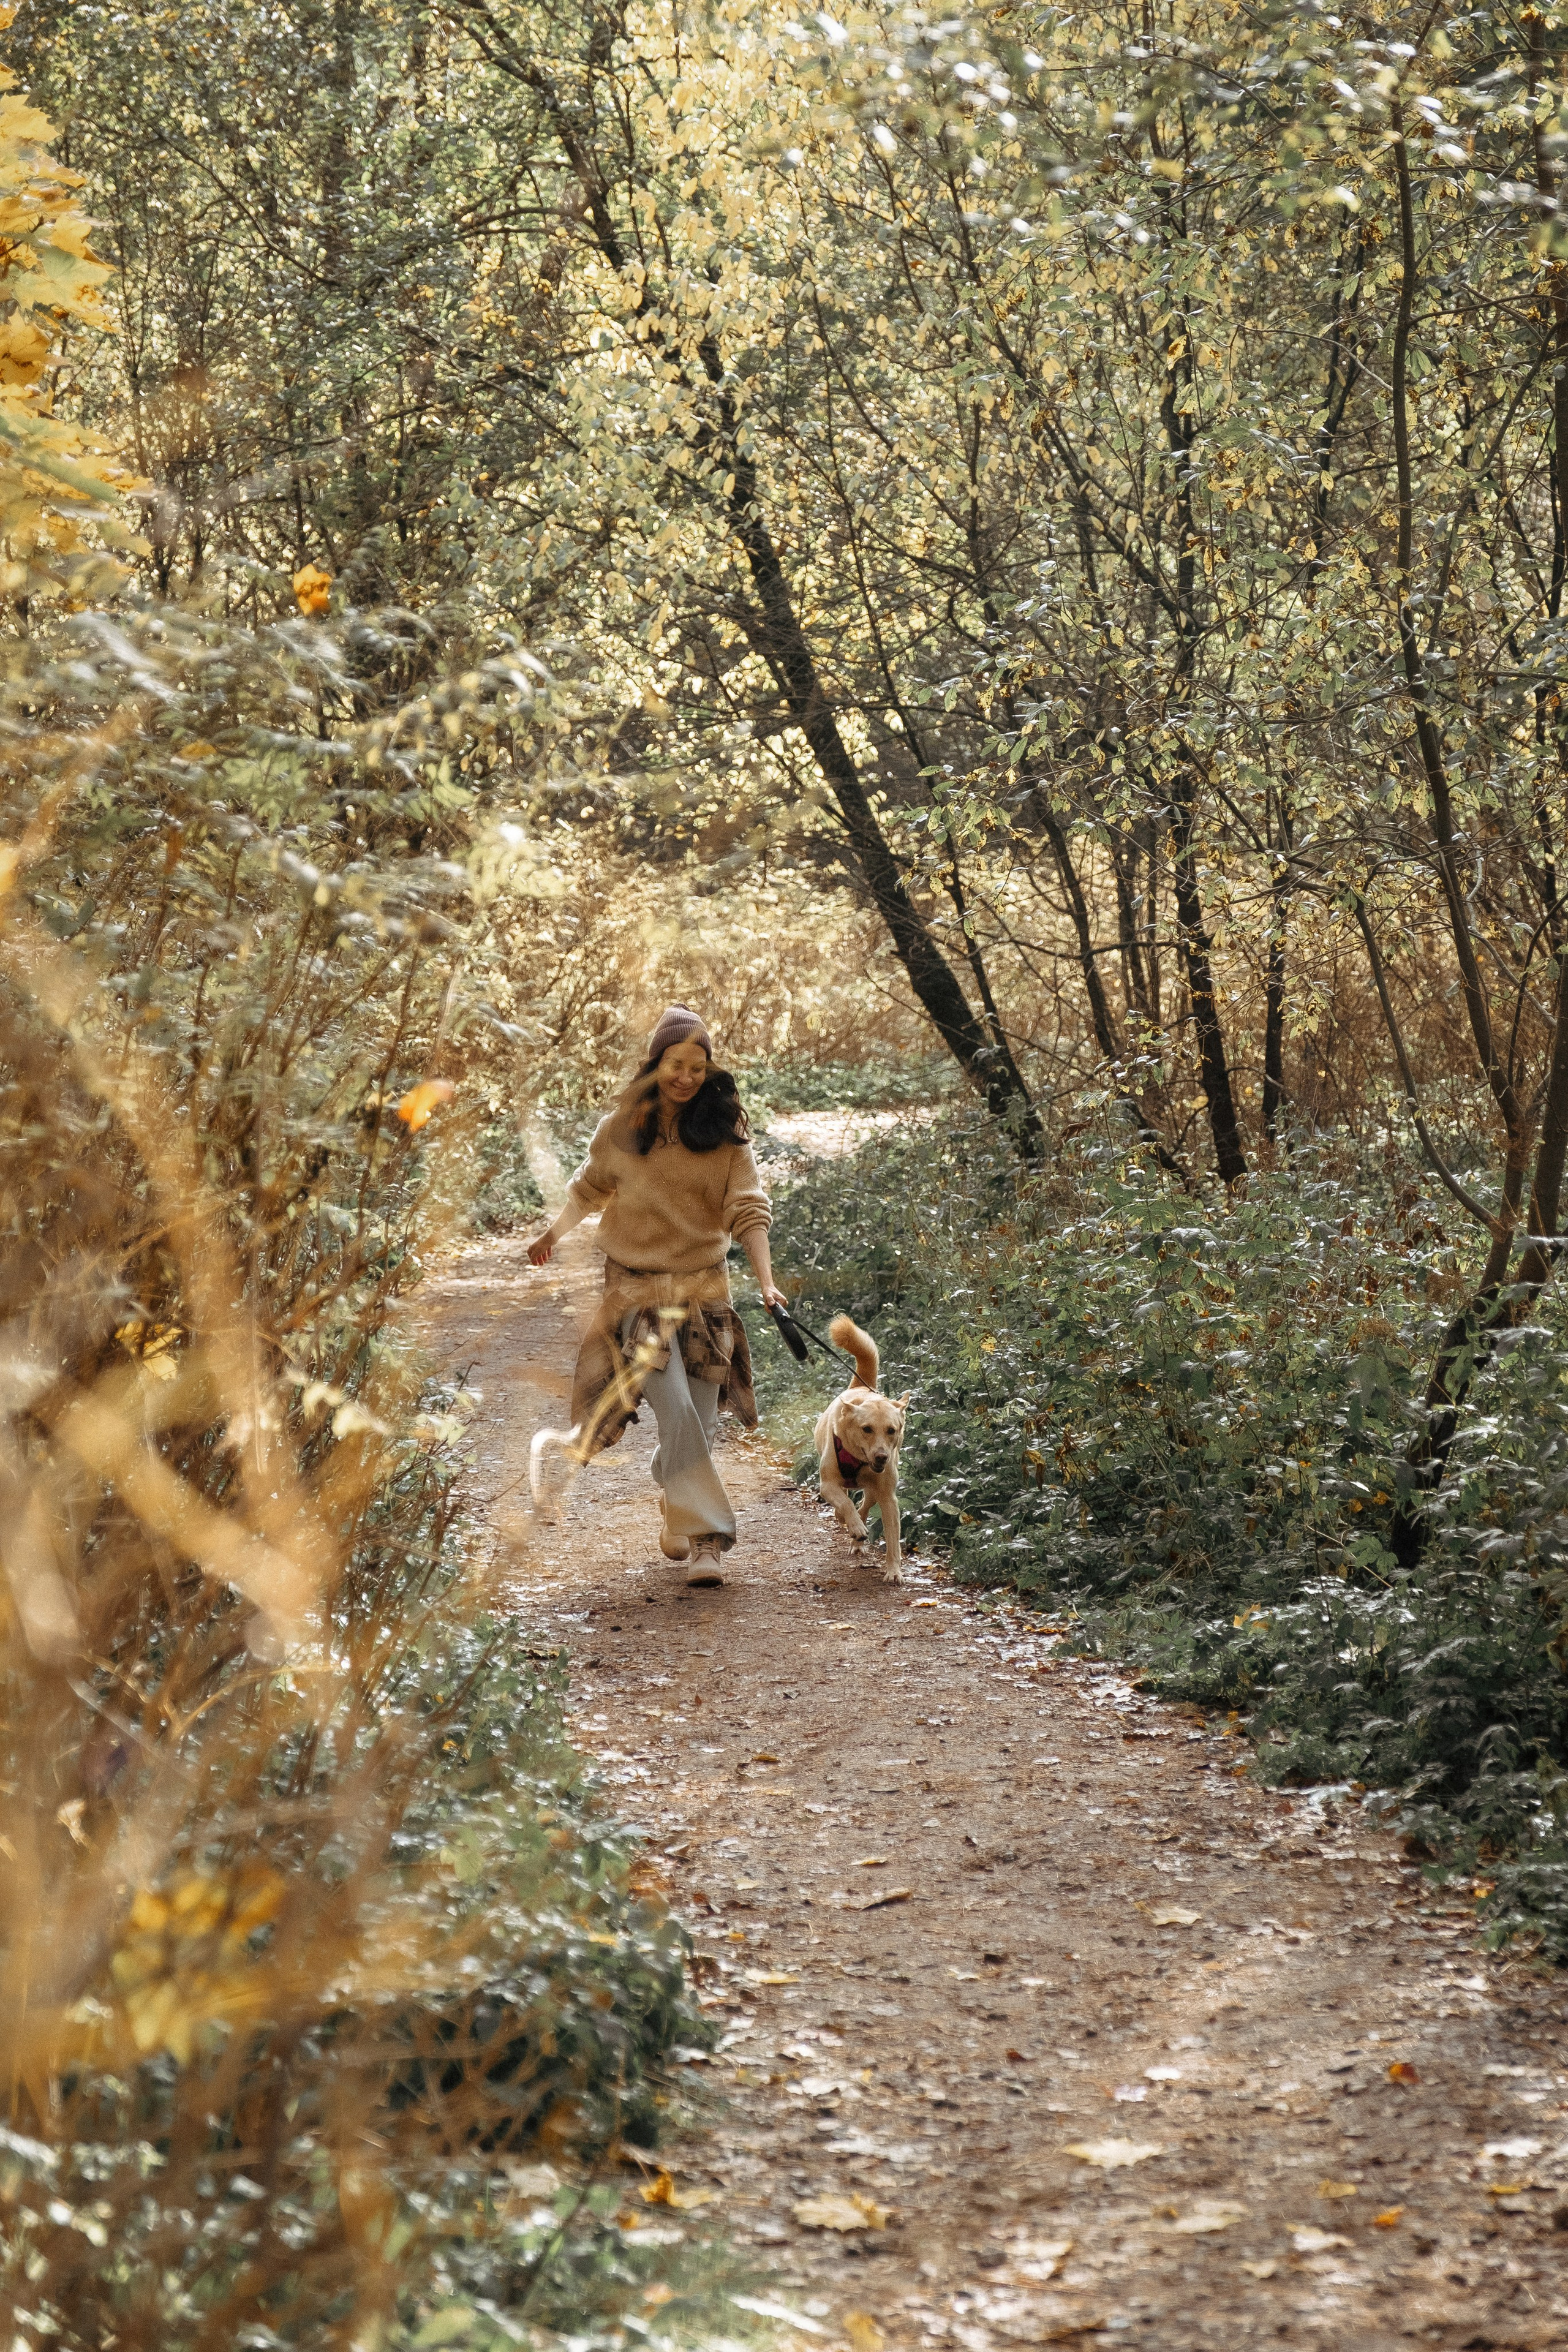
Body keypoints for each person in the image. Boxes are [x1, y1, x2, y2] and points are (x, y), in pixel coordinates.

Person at [527, 1005, 784, 1586]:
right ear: (656, 1064)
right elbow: (588, 1190)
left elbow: (748, 1211)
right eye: (675, 1064)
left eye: (698, 1067)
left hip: (705, 1293)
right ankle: (708, 1543)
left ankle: (674, 1491)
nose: (685, 1078)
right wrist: (552, 1234)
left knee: (698, 1421)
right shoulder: (623, 1129)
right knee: (676, 1409)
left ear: (710, 1072)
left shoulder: (725, 1138)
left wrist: (768, 1283)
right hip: (636, 1293)